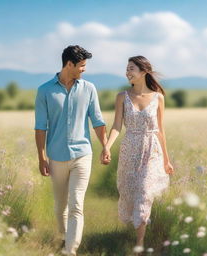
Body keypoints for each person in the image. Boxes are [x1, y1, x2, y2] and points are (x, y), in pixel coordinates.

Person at [34, 45, 107, 256]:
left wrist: (104, 146)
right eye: (82, 66)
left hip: (82, 154)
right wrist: (42, 157)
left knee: (76, 204)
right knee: (60, 207)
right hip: (56, 156)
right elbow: (40, 127)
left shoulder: (89, 88)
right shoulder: (45, 90)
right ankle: (64, 238)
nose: (84, 69)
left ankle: (70, 251)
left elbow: (98, 120)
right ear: (69, 64)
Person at [101, 56, 174, 254]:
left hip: (152, 151)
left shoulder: (158, 97)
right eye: (126, 69)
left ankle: (139, 243)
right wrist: (107, 146)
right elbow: (117, 126)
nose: (127, 72)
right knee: (129, 194)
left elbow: (160, 130)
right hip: (129, 150)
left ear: (144, 71)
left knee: (143, 192)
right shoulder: (121, 97)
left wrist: (166, 161)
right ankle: (137, 230)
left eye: (131, 68)